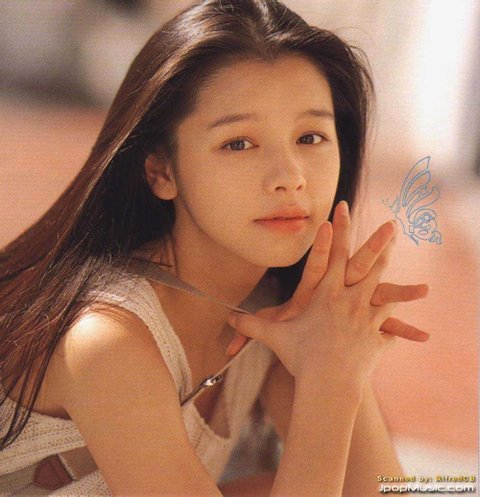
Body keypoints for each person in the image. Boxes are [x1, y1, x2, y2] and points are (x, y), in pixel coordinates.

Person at [0, 0, 431, 495]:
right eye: (239, 144)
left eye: (311, 137)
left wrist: (338, 348)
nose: (290, 177)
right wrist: (331, 378)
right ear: (162, 171)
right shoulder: (107, 340)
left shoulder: (283, 314)